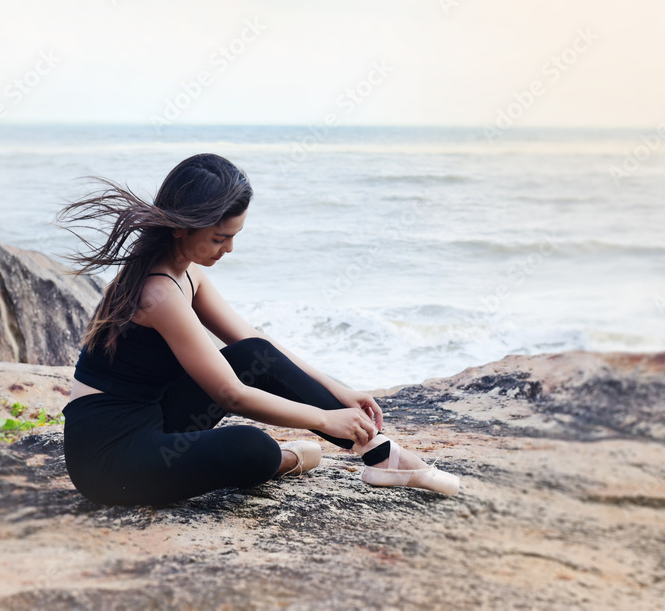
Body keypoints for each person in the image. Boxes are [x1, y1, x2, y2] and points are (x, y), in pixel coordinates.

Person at [55, 153, 459, 507]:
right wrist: (322, 419)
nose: (228, 249)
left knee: (253, 354)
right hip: (111, 459)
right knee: (250, 447)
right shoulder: (156, 294)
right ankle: (284, 458)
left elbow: (256, 344)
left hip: (157, 418)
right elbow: (231, 394)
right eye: (219, 238)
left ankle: (382, 457)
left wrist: (338, 391)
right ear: (181, 226)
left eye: (233, 237)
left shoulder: (186, 274)